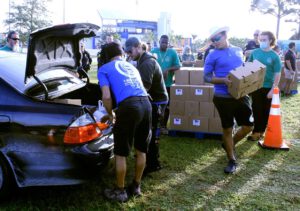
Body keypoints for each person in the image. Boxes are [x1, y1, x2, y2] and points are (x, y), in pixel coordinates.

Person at [98, 42, 152, 202]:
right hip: (146, 104)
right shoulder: (132, 67)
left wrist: (110, 114)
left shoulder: (104, 69)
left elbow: (106, 97)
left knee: (120, 153)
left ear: (106, 56)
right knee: (141, 149)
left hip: (129, 106)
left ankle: (120, 191)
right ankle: (136, 186)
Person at [204, 26, 254, 174]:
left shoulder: (238, 50)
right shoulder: (212, 55)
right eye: (212, 40)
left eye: (217, 39)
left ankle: (229, 144)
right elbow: (206, 77)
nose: (214, 42)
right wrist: (222, 80)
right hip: (222, 97)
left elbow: (242, 69)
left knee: (248, 126)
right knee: (227, 128)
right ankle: (232, 159)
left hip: (240, 95)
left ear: (225, 36)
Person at [125, 37, 168, 174]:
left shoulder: (147, 63)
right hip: (152, 100)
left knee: (153, 133)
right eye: (126, 52)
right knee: (149, 131)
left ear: (138, 47)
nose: (129, 55)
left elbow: (144, 88)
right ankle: (148, 159)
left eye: (130, 51)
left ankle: (153, 164)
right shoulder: (142, 60)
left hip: (157, 102)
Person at [247, 31, 282, 141]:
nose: (261, 42)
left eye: (264, 40)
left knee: (266, 110)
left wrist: (273, 89)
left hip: (268, 87)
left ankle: (261, 131)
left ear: (270, 40)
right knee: (256, 109)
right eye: (260, 40)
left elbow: (277, 73)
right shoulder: (255, 52)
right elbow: (248, 66)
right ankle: (256, 131)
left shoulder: (274, 56)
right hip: (256, 86)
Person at [151, 35, 181, 134]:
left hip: (167, 84)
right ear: (159, 42)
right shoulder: (153, 51)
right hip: (155, 84)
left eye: (166, 43)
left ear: (168, 44)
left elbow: (178, 66)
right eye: (162, 42)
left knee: (167, 106)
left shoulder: (172, 52)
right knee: (154, 105)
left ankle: (163, 126)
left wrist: (168, 69)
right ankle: (154, 126)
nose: (164, 44)